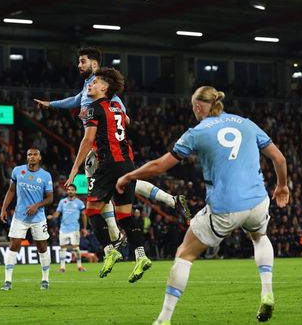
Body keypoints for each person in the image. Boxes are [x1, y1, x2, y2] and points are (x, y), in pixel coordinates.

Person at [115, 86, 289, 324]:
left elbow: (158, 167)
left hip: (225, 207)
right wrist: (282, 186)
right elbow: (279, 158)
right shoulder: (247, 123)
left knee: (184, 254)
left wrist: (129, 176)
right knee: (259, 236)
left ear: (198, 107)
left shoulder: (195, 133)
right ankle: (267, 291)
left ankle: (163, 319)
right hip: (258, 201)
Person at [35, 48, 188, 245]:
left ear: (95, 64)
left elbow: (122, 116)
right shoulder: (88, 87)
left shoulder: (105, 93)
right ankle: (169, 201)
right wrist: (51, 104)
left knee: (100, 192)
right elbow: (75, 100)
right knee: (117, 186)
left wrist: (120, 118)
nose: (79, 65)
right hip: (103, 149)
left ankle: (116, 236)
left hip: (104, 150)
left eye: (82, 61)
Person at [66, 67, 152, 283]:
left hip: (108, 165)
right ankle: (141, 256)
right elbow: (126, 123)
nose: (90, 85)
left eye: (94, 83)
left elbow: (87, 140)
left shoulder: (95, 108)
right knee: (124, 215)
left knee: (92, 210)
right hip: (127, 165)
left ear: (104, 87)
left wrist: (75, 169)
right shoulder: (117, 108)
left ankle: (109, 250)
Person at [0, 148, 54, 291]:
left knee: (42, 247)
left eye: (35, 154)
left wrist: (37, 206)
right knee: (14, 245)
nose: (32, 157)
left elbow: (50, 198)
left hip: (38, 218)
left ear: (40, 157)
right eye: (29, 154)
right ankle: (7, 281)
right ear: (27, 157)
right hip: (20, 216)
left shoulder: (46, 176)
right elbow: (11, 190)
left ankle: (45, 279)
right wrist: (4, 208)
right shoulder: (17, 171)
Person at [48, 183, 86, 272]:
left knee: (76, 248)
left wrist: (84, 228)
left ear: (75, 191)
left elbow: (84, 215)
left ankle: (79, 266)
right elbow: (57, 213)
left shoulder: (79, 203)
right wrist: (52, 216)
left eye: (72, 190)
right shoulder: (63, 202)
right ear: (67, 191)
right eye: (69, 190)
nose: (70, 191)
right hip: (63, 229)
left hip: (75, 229)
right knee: (62, 249)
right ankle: (62, 268)